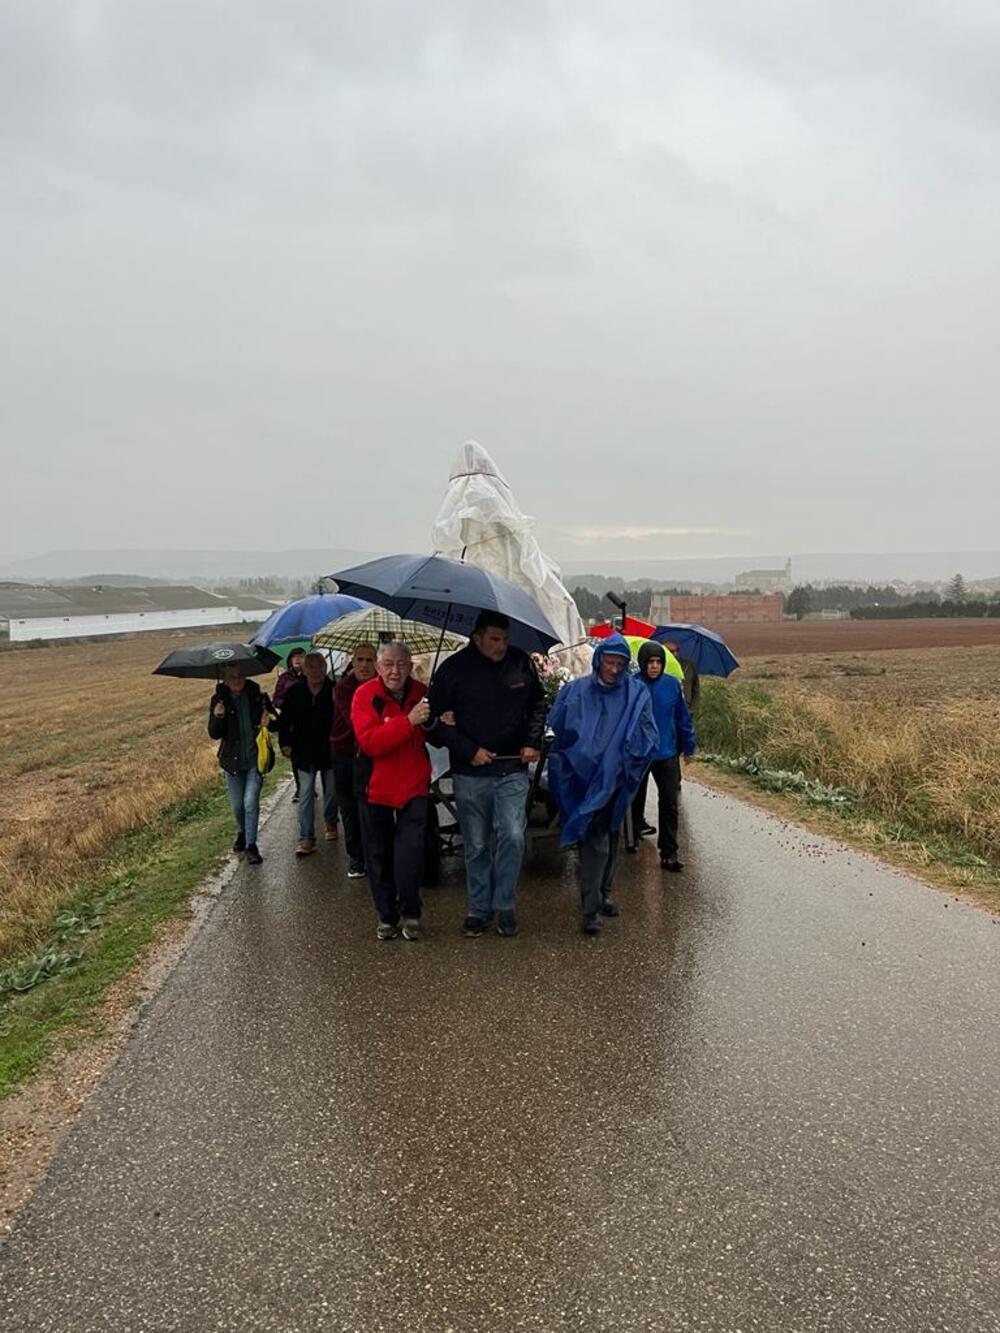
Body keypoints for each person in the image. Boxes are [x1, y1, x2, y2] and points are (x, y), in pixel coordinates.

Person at [428, 611, 546, 938]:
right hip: (470, 772)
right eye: (494, 639)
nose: (501, 645)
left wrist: (531, 741)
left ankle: (504, 904)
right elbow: (434, 726)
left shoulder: (520, 662)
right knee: (477, 844)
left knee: (512, 834)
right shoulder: (452, 670)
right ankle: (478, 909)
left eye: (505, 639)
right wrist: (468, 750)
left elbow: (538, 704)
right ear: (477, 638)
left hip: (512, 767)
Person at [547, 633, 659, 934]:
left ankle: (603, 893)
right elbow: (558, 724)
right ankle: (590, 909)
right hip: (583, 781)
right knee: (594, 839)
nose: (613, 668)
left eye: (619, 663)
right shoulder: (576, 691)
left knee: (610, 837)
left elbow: (648, 735)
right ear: (598, 661)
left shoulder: (636, 695)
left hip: (617, 780)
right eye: (609, 661)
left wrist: (623, 761)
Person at [352, 642, 438, 942]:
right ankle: (386, 915)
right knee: (378, 855)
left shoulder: (421, 693)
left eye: (402, 664)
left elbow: (434, 733)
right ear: (377, 667)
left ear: (410, 666)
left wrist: (440, 721)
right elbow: (371, 742)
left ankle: (411, 913)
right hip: (375, 789)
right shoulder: (364, 696)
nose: (395, 670)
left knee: (409, 854)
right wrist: (408, 721)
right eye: (388, 663)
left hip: (413, 787)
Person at [632, 642, 697, 871]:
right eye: (650, 662)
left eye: (658, 662)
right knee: (634, 798)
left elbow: (682, 717)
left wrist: (689, 746)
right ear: (643, 663)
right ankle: (632, 834)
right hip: (639, 754)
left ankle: (669, 852)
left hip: (666, 752)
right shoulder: (632, 685)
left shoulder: (671, 684)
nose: (654, 666)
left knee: (669, 802)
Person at [208, 664, 275, 866]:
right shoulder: (218, 700)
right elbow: (214, 733)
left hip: (256, 759)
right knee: (238, 806)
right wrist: (218, 716)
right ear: (226, 680)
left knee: (249, 801)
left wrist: (269, 720)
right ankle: (242, 832)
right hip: (232, 762)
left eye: (240, 675)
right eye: (231, 677)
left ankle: (251, 846)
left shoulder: (258, 696)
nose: (236, 680)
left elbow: (275, 719)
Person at [278, 651, 337, 856]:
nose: (316, 670)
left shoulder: (334, 690)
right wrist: (285, 743)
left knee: (331, 792)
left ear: (325, 668)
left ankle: (331, 821)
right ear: (303, 669)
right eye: (310, 666)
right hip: (303, 751)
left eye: (319, 666)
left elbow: (343, 720)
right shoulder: (295, 692)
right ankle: (306, 838)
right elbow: (285, 720)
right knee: (305, 794)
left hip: (330, 749)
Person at [330, 642, 377, 879]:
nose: (365, 665)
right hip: (346, 753)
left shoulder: (383, 685)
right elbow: (356, 721)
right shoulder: (343, 688)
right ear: (353, 662)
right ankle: (357, 857)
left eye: (370, 660)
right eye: (360, 660)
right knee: (349, 806)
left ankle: (374, 854)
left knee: (370, 805)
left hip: (372, 754)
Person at [273, 647, 307, 801]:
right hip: (291, 723)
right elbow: (276, 698)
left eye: (301, 656)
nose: (298, 659)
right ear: (290, 660)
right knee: (295, 756)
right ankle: (301, 788)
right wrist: (288, 704)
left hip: (309, 721)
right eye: (295, 657)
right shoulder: (284, 678)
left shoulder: (310, 675)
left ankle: (308, 787)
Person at [662, 638, 700, 712]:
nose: (675, 654)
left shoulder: (688, 666)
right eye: (672, 651)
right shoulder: (660, 667)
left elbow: (696, 689)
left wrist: (692, 709)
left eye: (677, 650)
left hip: (686, 709)